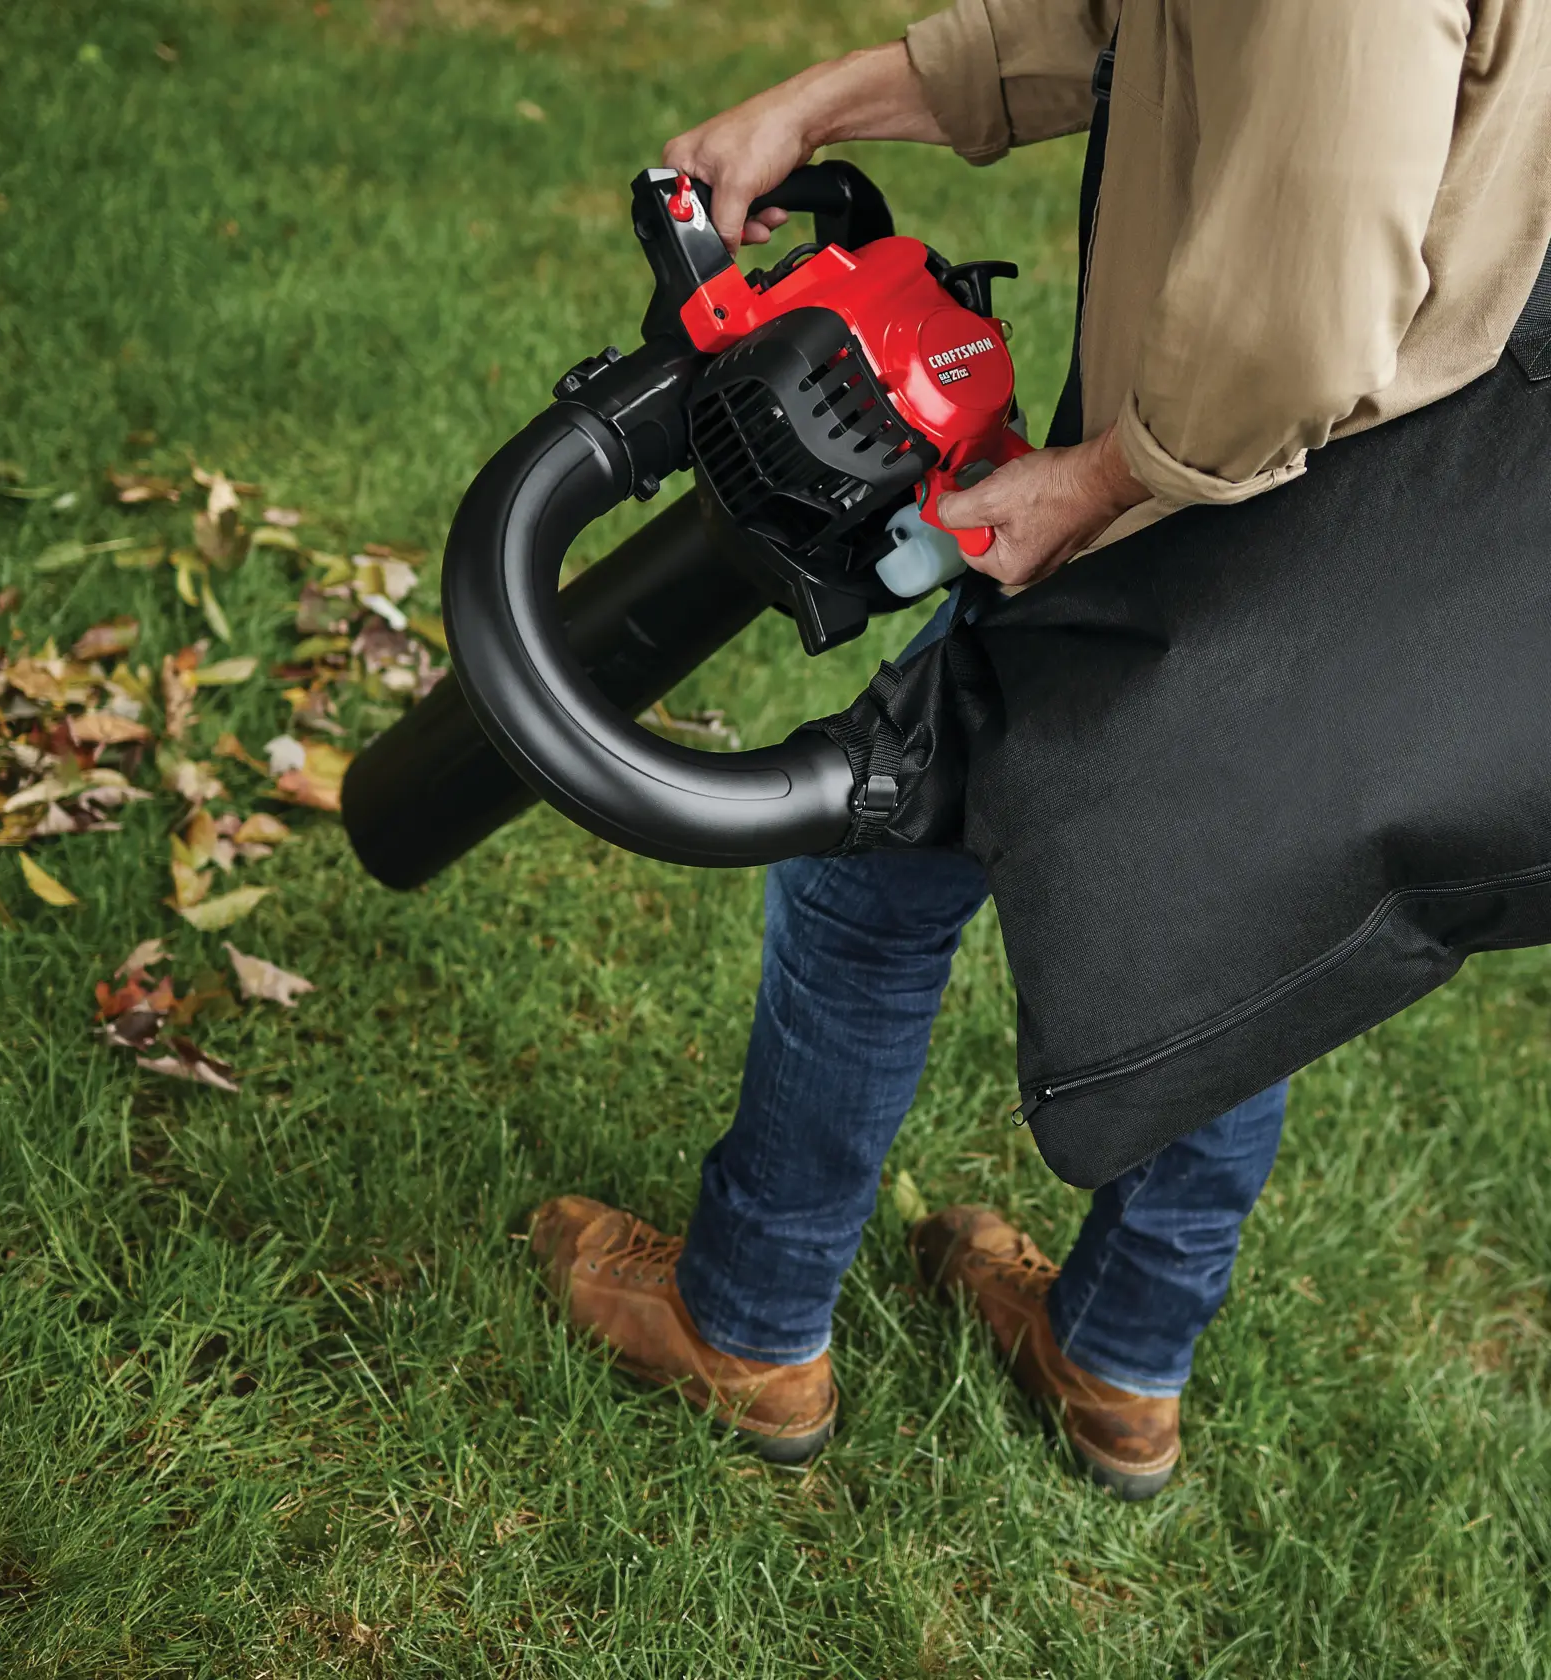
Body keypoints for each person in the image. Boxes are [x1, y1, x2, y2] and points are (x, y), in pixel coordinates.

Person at [529, 0, 1551, 1498]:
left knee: (866, 873)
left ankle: (746, 1319)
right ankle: (1119, 1358)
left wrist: (1100, 480)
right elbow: (1143, 27)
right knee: (1227, 910)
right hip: (1398, 478)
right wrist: (822, 106)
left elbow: (1296, 325)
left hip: (1267, 480)